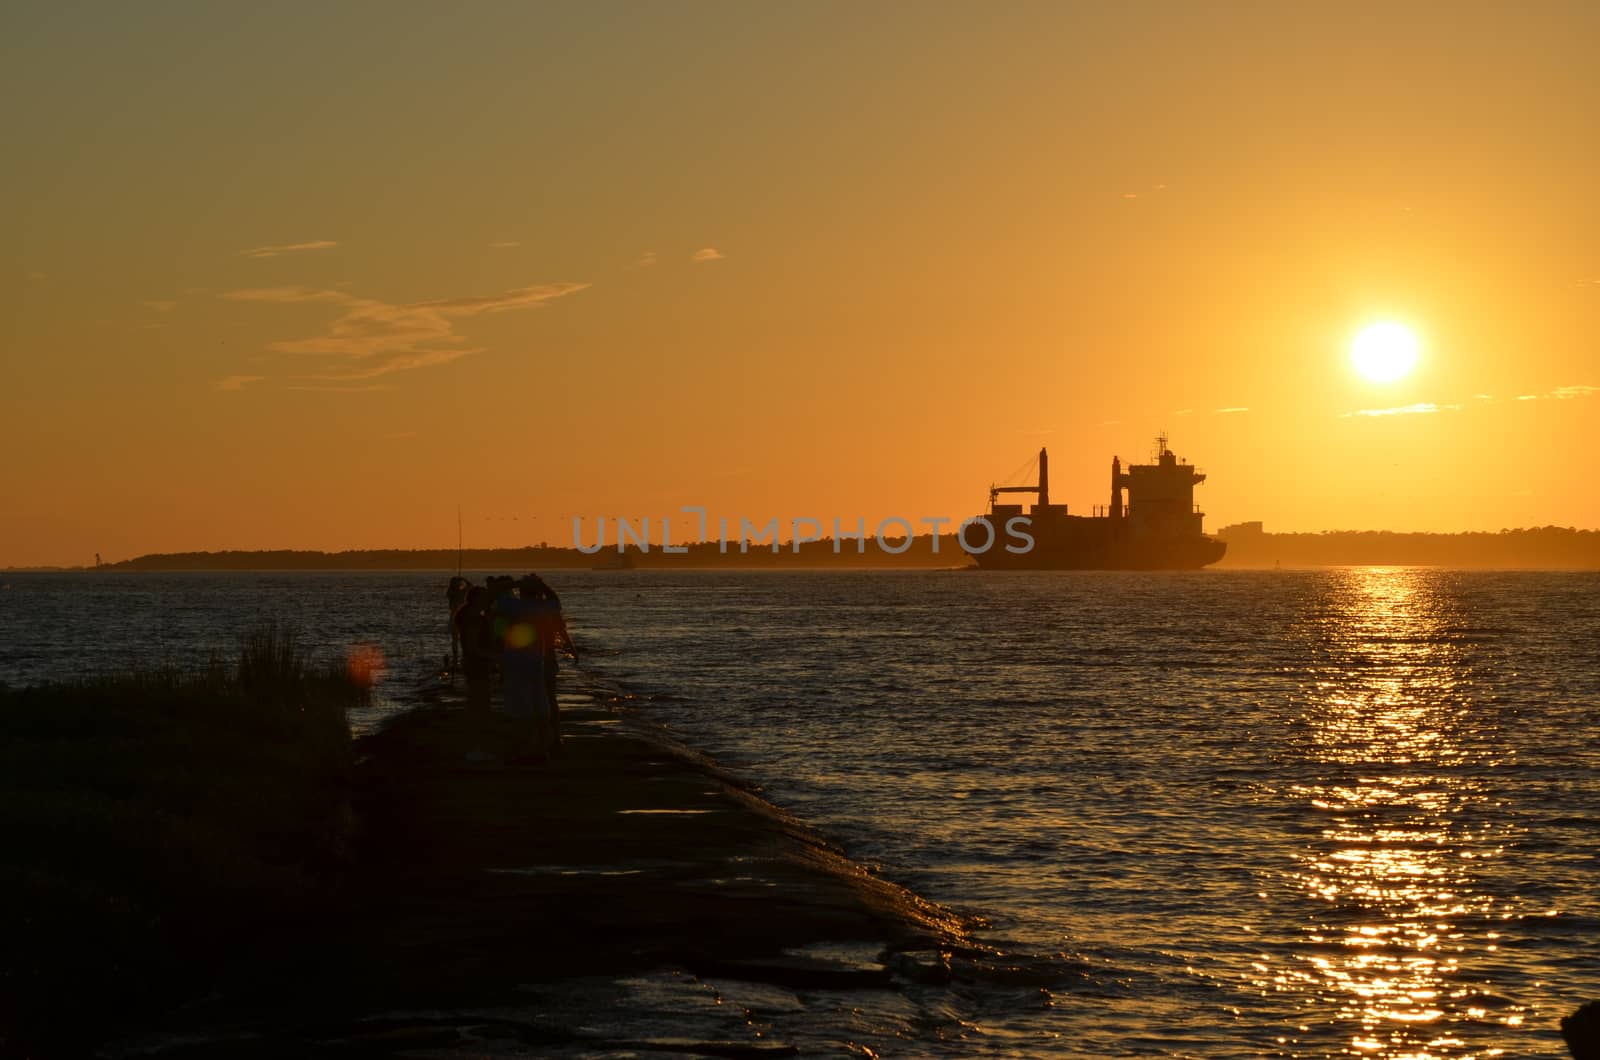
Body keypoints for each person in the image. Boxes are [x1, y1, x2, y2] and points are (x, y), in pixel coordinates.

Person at [519, 574, 577, 755]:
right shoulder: (547, 608)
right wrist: (571, 648)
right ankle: (553, 736)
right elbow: (561, 628)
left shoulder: (518, 608)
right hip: (546, 656)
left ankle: (537, 737)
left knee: (531, 698)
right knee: (549, 698)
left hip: (526, 657)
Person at [446, 576, 471, 670]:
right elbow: (470, 586)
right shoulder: (460, 592)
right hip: (459, 618)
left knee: (455, 639)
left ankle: (456, 657)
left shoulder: (450, 593)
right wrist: (464, 579)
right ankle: (461, 656)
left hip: (454, 618)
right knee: (461, 638)